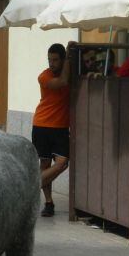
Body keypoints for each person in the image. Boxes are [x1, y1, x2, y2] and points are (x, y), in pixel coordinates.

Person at [32, 43, 72, 217]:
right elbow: (62, 82)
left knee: (63, 162)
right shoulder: (44, 76)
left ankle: (31, 186)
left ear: (62, 60)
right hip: (42, 125)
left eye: (55, 60)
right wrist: (70, 55)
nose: (51, 63)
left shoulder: (69, 74)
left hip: (61, 127)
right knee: (45, 164)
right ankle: (48, 203)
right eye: (49, 60)